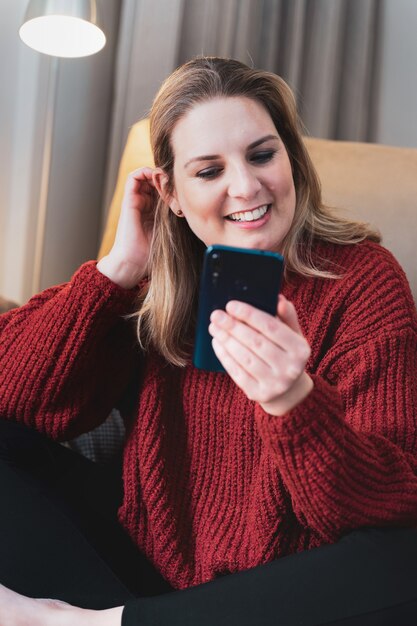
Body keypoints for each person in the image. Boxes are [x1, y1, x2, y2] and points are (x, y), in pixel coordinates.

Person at [0, 56, 417, 626]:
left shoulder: (362, 279)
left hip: (289, 595)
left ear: (290, 158)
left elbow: (384, 505)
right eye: (208, 170)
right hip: (141, 571)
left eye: (262, 155)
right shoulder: (161, 278)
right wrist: (118, 267)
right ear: (170, 192)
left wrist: (293, 401)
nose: (245, 186)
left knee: (407, 556)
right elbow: (19, 396)